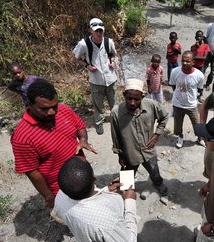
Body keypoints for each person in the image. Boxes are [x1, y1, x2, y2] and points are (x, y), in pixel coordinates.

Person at [55, 156, 164, 242]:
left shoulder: (60, 196)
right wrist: (129, 201)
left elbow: (83, 199)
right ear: (94, 178)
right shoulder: (104, 219)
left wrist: (105, 190)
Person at [11, 79, 97, 208]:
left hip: (82, 177)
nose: (52, 112)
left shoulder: (63, 110)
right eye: (44, 109)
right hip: (61, 189)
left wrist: (83, 140)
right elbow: (31, 171)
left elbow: (80, 126)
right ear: (29, 104)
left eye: (54, 106)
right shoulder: (22, 137)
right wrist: (48, 196)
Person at [110, 79, 169, 196]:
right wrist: (120, 154)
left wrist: (157, 134)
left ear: (142, 96)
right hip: (129, 152)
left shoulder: (151, 105)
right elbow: (115, 136)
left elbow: (165, 116)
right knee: (127, 175)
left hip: (148, 150)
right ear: (124, 96)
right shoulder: (116, 112)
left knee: (154, 171)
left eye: (136, 99)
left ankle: (158, 183)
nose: (132, 102)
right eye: (129, 98)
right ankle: (127, 193)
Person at [73, 18, 118, 135]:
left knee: (114, 102)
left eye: (101, 31)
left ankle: (116, 121)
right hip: (96, 80)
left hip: (111, 78)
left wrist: (113, 61)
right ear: (91, 31)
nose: (99, 33)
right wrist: (87, 66)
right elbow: (76, 58)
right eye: (96, 31)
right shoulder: (84, 44)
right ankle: (99, 123)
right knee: (98, 105)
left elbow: (113, 54)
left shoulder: (109, 42)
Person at [169, 51, 205, 149]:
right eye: (183, 61)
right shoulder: (175, 71)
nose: (185, 63)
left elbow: (200, 88)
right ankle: (180, 137)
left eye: (188, 61)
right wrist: (179, 95)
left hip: (191, 105)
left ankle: (200, 139)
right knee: (177, 125)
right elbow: (173, 85)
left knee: (197, 124)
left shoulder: (199, 75)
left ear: (193, 62)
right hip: (177, 104)